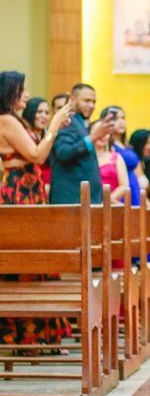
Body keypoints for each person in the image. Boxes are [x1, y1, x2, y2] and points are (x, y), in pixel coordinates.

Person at [0, 71, 73, 349]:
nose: (28, 95)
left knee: (38, 259)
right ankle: (23, 335)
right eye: (23, 90)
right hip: (20, 191)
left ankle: (38, 335)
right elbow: (37, 155)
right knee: (27, 261)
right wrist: (54, 125)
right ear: (10, 93)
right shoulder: (5, 120)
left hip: (30, 188)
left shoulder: (14, 120)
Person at [50, 83, 113, 204]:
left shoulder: (80, 122)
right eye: (86, 101)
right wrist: (93, 137)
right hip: (71, 199)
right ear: (72, 100)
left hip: (84, 200)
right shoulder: (67, 120)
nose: (91, 105)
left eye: (94, 102)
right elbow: (63, 152)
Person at [101, 106, 144, 205]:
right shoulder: (106, 145)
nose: (121, 122)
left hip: (134, 186)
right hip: (119, 189)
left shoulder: (127, 145)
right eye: (116, 119)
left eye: (123, 118)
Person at [91, 121, 129, 204]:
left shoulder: (116, 157)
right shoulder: (83, 158)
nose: (102, 136)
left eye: (106, 133)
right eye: (98, 131)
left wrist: (107, 201)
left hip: (112, 204)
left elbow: (124, 185)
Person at [22, 97, 53, 192]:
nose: (44, 116)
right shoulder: (24, 134)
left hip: (51, 188)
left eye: (47, 113)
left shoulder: (48, 135)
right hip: (30, 187)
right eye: (39, 112)